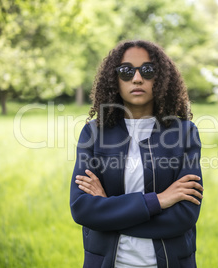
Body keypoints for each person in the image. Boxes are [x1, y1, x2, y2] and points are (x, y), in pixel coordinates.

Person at [70, 40, 203, 268]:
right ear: (114, 79)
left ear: (160, 78)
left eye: (148, 70)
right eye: (126, 71)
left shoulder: (184, 133)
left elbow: (184, 216)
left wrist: (108, 211)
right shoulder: (93, 132)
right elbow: (82, 208)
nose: (137, 78)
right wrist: (159, 201)